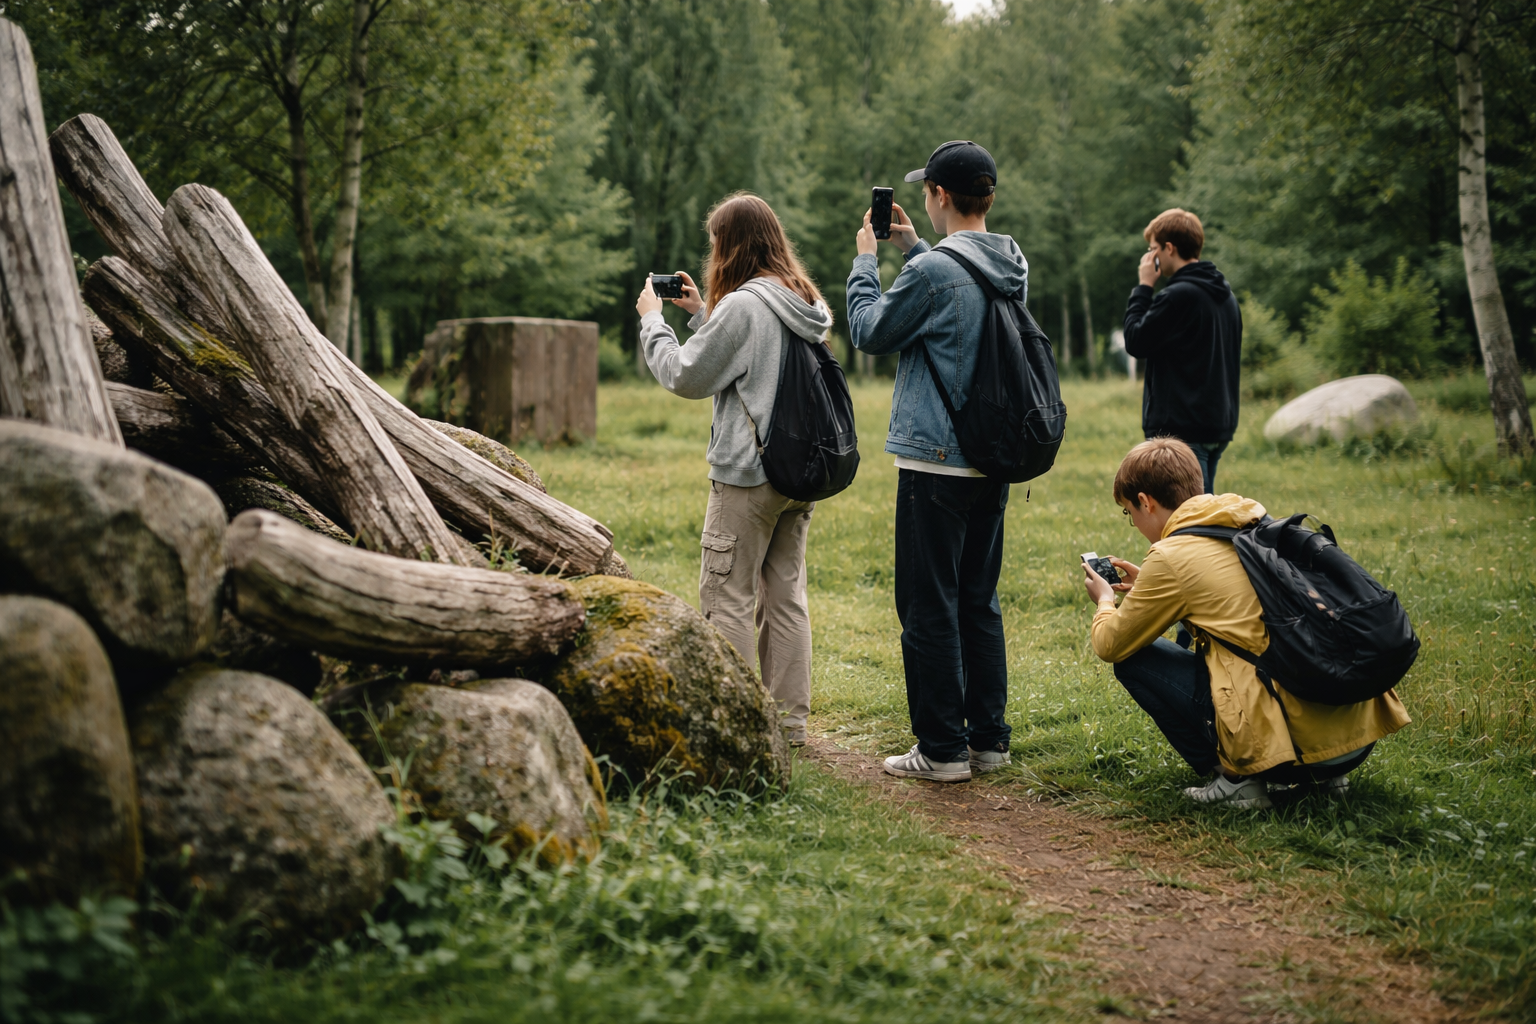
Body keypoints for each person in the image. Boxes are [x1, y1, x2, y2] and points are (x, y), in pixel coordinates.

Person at [1081, 438, 1410, 808]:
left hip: (1289, 758)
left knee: (1133, 658)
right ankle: (1329, 780)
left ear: (1145, 502)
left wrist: (1106, 601)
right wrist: (1150, 588)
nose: (1135, 522)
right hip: (1356, 741)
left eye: (1130, 512)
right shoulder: (1254, 523)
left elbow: (1110, 644)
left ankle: (1237, 780)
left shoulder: (1172, 556)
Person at [845, 140, 1027, 783]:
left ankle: (942, 750)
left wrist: (867, 263)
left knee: (928, 605)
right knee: (978, 600)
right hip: (992, 458)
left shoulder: (932, 274)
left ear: (940, 195)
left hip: (936, 462)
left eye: (927, 188)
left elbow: (870, 332)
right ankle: (988, 741)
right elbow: (958, 296)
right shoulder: (1009, 261)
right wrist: (914, 247)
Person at [636, 192, 835, 749]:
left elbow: (685, 376)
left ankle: (741, 728)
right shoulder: (804, 299)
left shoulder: (744, 306)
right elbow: (752, 360)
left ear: (731, 246)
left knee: (728, 598)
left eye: (715, 243)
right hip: (799, 474)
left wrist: (655, 324)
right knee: (786, 596)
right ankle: (789, 726)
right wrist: (703, 315)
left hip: (747, 476)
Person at [1122, 209, 1242, 495]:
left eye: (1153, 249)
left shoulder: (1178, 296)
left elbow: (1136, 340)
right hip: (1216, 424)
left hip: (1182, 429)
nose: (1150, 258)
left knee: (1189, 521)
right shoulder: (1225, 296)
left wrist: (1144, 286)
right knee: (1202, 512)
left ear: (1169, 248)